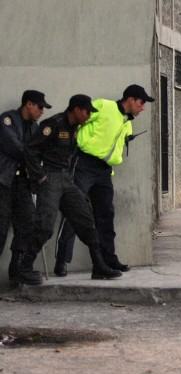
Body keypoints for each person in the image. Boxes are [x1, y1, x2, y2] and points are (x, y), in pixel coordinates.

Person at [16, 94, 123, 283]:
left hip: (66, 180)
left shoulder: (76, 128)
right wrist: (39, 175)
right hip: (50, 179)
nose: (89, 116)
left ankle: (98, 266)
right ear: (76, 109)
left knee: (86, 221)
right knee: (45, 226)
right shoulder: (54, 124)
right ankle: (24, 268)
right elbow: (29, 149)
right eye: (87, 112)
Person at [55, 85, 154, 277]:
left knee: (106, 215)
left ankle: (107, 261)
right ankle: (62, 260)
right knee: (74, 211)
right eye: (142, 103)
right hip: (84, 164)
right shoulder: (104, 106)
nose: (143, 107)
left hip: (104, 171)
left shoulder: (127, 122)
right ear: (131, 99)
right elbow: (77, 121)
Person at [0, 90, 51, 285]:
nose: (41, 111)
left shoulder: (34, 128)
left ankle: (17, 269)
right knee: (1, 229)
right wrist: (35, 159)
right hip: (3, 182)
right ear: (28, 104)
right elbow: (14, 147)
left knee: (28, 223)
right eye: (39, 107)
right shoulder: (7, 120)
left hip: (22, 183)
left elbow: (40, 151)